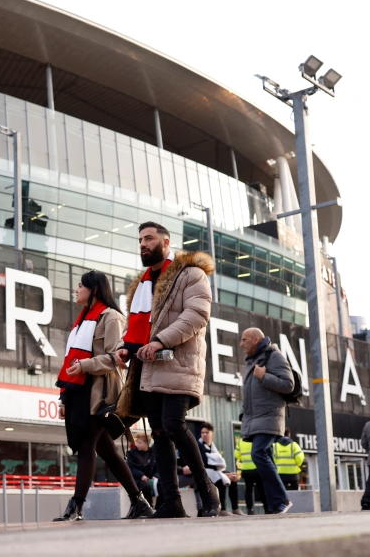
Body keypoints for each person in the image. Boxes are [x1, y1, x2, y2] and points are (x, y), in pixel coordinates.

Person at [114, 222, 219, 518]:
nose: (143, 244)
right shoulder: (140, 284)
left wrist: (160, 341)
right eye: (140, 240)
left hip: (179, 363)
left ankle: (206, 490)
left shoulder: (191, 274)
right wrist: (124, 346)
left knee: (173, 424)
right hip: (147, 367)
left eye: (149, 238)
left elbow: (197, 315)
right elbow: (135, 326)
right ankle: (171, 501)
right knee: (159, 432)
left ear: (166, 241)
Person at [54, 270, 154, 521]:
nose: (76, 290)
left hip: (99, 391)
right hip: (79, 391)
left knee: (88, 445)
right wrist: (64, 397)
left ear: (94, 289)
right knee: (106, 451)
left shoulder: (111, 317)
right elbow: (69, 361)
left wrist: (86, 366)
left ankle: (75, 506)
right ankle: (139, 501)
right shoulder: (80, 321)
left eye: (80, 285)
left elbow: (115, 357)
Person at [239, 327, 295, 515]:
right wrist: (243, 414)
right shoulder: (252, 361)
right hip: (255, 418)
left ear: (256, 340)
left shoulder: (274, 356)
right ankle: (274, 506)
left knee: (259, 453)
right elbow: (249, 394)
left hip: (269, 416)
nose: (241, 344)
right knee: (265, 457)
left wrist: (264, 377)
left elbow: (288, 385)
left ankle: (281, 499)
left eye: (244, 339)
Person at [192, 422, 240, 516]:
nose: (204, 435)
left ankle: (235, 508)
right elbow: (204, 462)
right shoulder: (199, 446)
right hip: (204, 472)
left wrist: (225, 473)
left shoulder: (213, 447)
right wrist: (223, 474)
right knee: (220, 477)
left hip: (213, 471)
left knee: (233, 477)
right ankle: (223, 509)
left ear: (212, 434)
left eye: (207, 432)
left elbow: (216, 464)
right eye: (202, 432)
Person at [234, 434, 265, 514]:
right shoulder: (256, 440)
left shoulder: (241, 441)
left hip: (246, 469)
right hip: (257, 468)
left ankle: (249, 509)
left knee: (248, 490)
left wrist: (243, 459)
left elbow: (236, 454)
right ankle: (266, 507)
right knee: (261, 489)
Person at [126, 433, 157, 507]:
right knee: (145, 486)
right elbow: (130, 467)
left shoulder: (153, 453)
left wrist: (156, 476)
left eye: (140, 442)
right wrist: (141, 475)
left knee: (161, 485)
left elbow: (158, 467)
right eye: (136, 442)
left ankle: (159, 507)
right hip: (138, 479)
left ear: (146, 443)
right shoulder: (132, 453)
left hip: (152, 478)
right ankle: (148, 506)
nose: (137, 444)